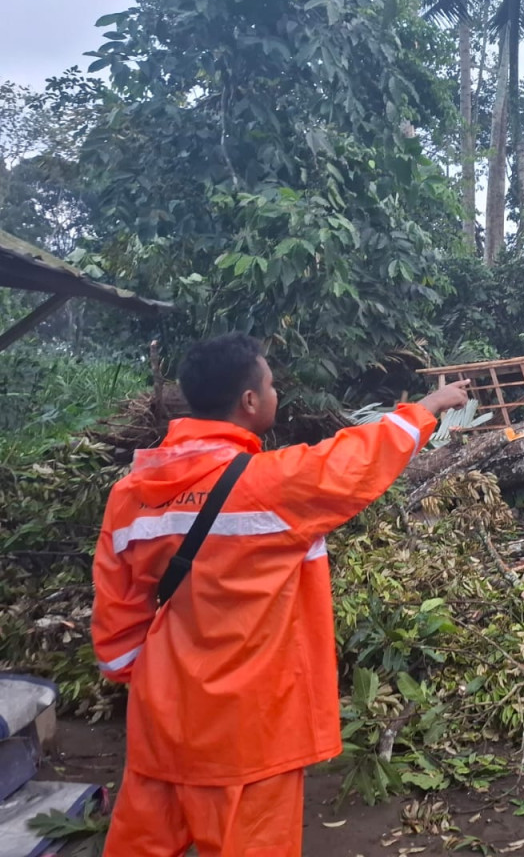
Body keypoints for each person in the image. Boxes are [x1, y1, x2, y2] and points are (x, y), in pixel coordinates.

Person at [91, 333, 469, 856]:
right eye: (270, 385)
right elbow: (357, 459)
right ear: (249, 401)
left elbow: (116, 621)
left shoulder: (132, 495)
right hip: (251, 730)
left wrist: (157, 685)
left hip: (162, 724)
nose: (275, 395)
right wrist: (426, 408)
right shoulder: (272, 486)